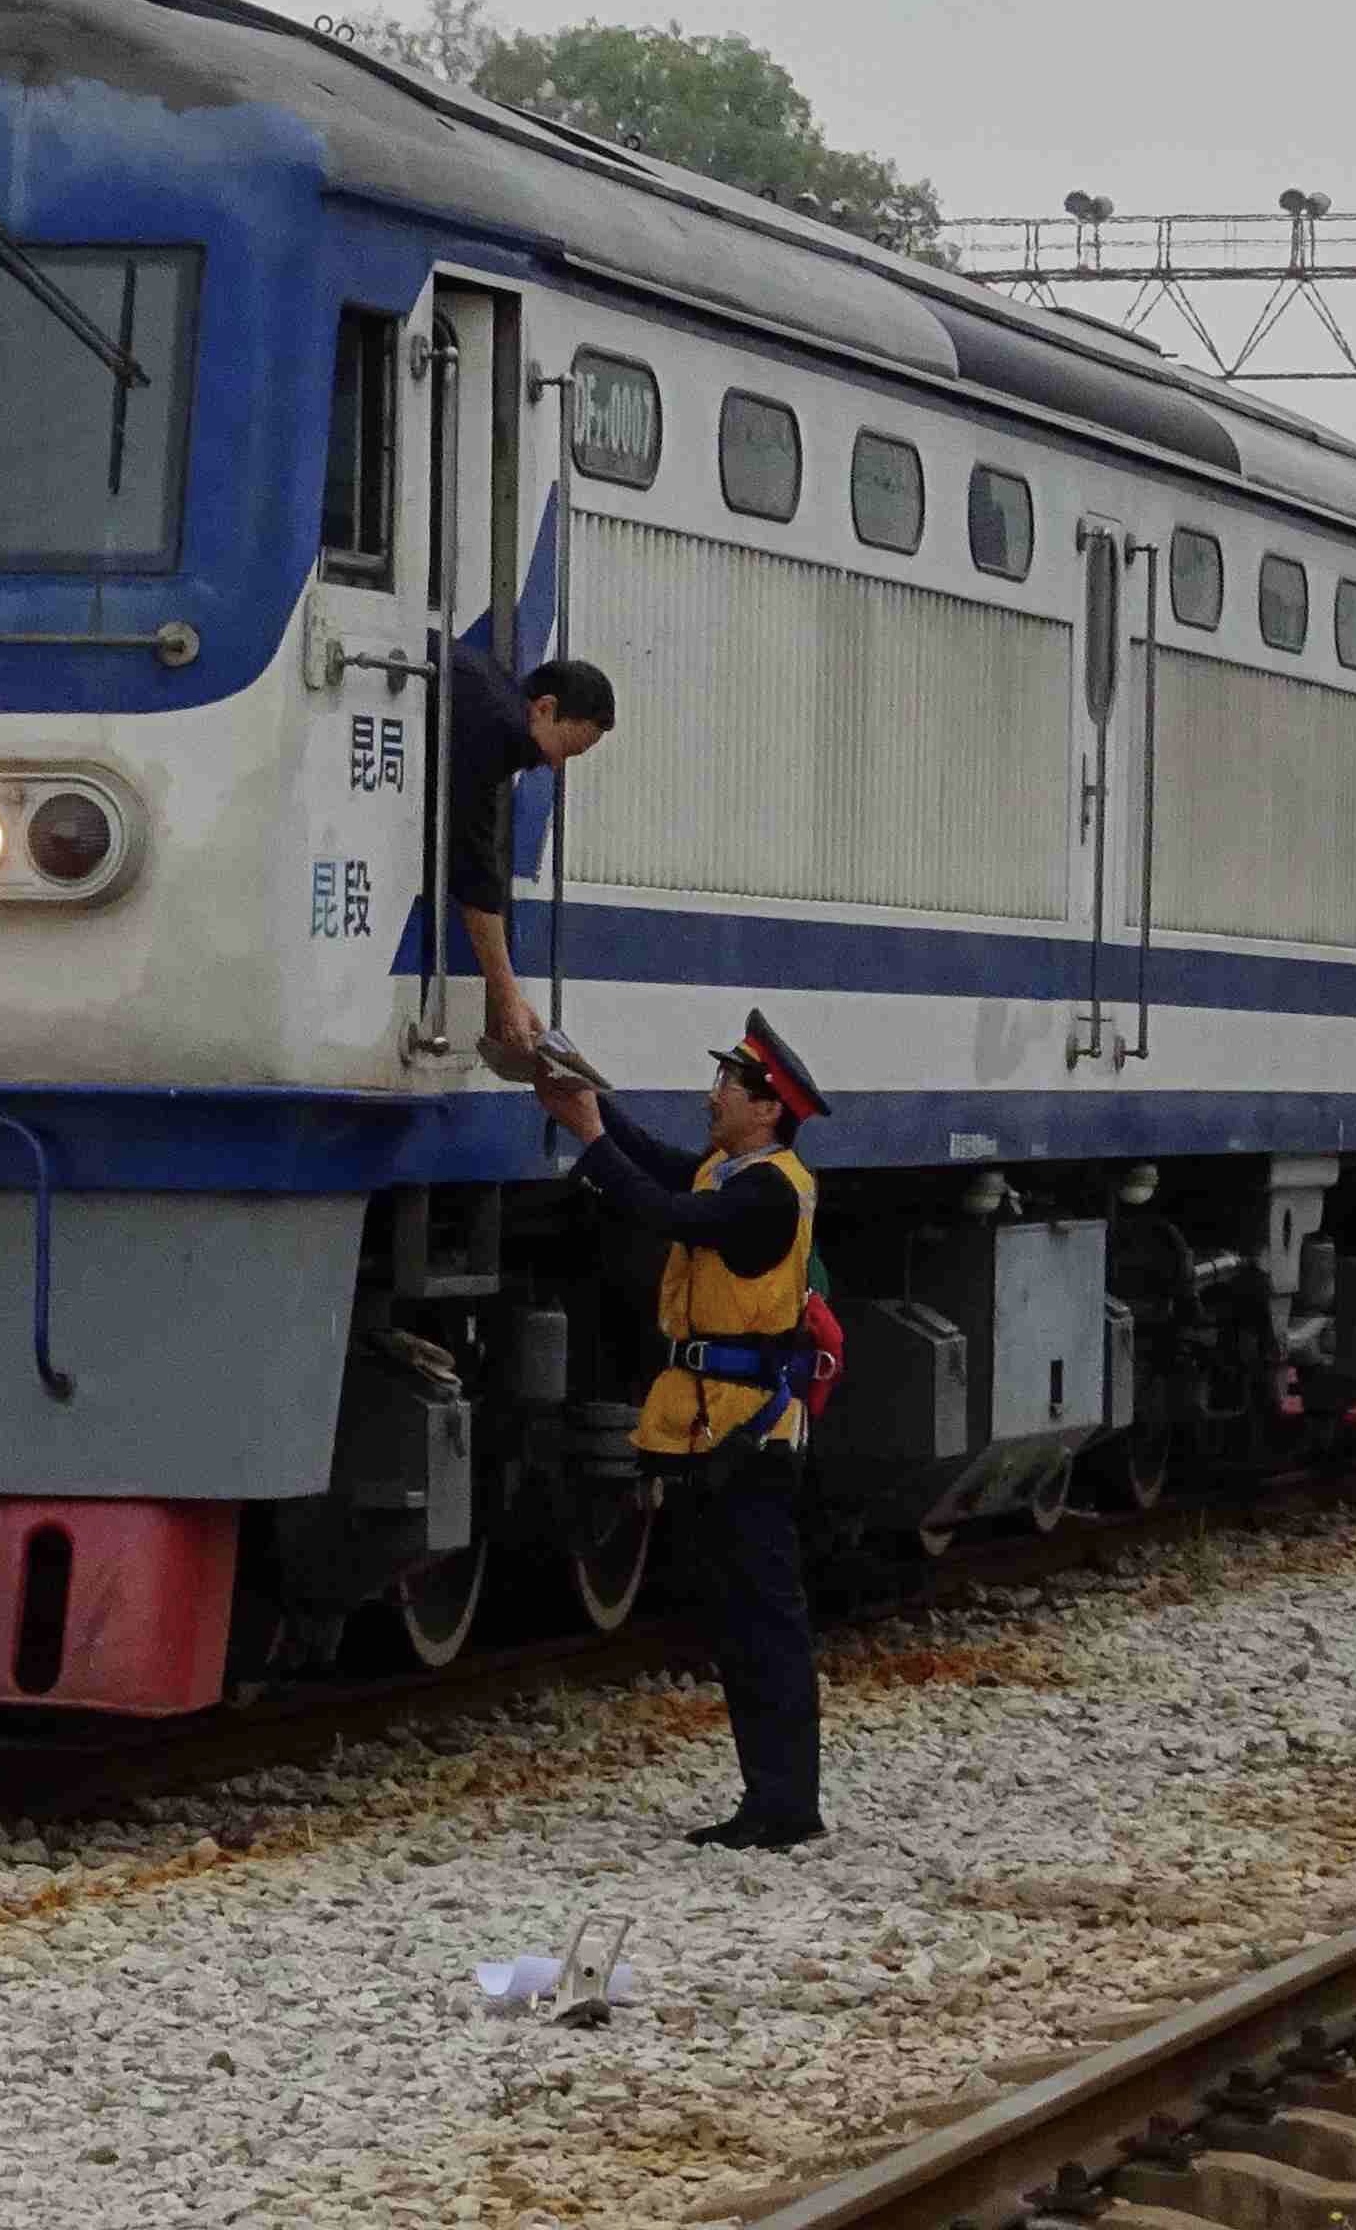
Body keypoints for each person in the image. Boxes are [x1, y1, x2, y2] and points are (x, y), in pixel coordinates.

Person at [536, 1012, 833, 1851]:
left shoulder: (767, 1192)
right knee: (741, 1618)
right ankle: (768, 1800)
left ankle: (785, 1804)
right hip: (724, 1434)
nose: (710, 1100)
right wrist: (587, 1103)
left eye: (725, 1088)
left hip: (750, 1440)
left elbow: (663, 1210)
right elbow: (662, 1168)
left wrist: (590, 1133)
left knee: (763, 1619)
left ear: (766, 1108)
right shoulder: (736, 1172)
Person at [445, 650, 614, 1060]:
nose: (554, 766)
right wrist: (508, 998)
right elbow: (473, 865)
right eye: (565, 751)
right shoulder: (496, 725)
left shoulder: (489, 686)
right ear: (545, 708)